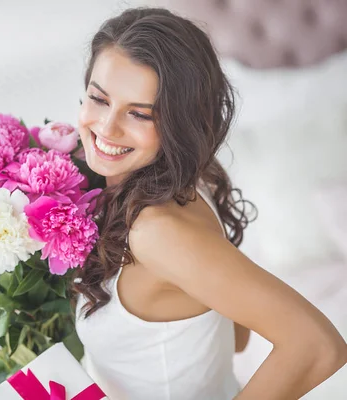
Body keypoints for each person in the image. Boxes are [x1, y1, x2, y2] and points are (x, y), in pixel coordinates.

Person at [71, 6, 347, 400]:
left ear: (178, 123)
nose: (107, 128)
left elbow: (318, 345)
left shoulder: (157, 231)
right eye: (99, 99)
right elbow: (235, 335)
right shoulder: (179, 183)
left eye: (139, 114)